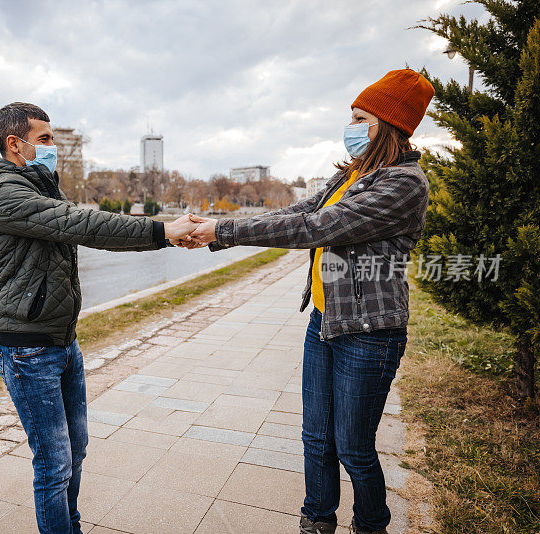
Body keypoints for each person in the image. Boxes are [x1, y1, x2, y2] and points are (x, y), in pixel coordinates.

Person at [185, 69, 434, 534]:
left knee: (353, 447)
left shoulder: (404, 184)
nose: (351, 126)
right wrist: (218, 232)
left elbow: (316, 229)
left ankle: (371, 524)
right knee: (315, 438)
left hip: (369, 332)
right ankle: (317, 520)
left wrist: (223, 231)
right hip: (324, 322)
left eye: (360, 117)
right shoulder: (355, 174)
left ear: (387, 124)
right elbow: (299, 212)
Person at [0, 102, 197, 534]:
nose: (52, 147)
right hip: (28, 352)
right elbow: (83, 224)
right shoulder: (5, 193)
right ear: (14, 144)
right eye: (44, 139)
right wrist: (161, 229)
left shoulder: (38, 186)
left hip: (62, 341)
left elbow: (89, 233)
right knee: (54, 464)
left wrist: (164, 241)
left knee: (76, 451)